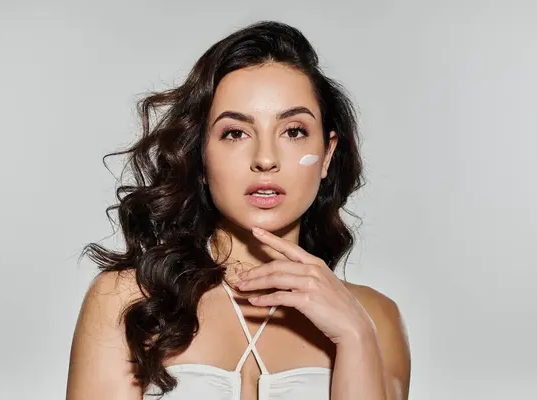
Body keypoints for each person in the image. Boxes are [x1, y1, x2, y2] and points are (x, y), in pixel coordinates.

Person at [66, 20, 411, 400]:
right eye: (235, 133)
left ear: (327, 155)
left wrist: (355, 336)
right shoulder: (129, 301)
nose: (265, 159)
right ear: (200, 156)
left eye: (293, 131)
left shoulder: (376, 318)